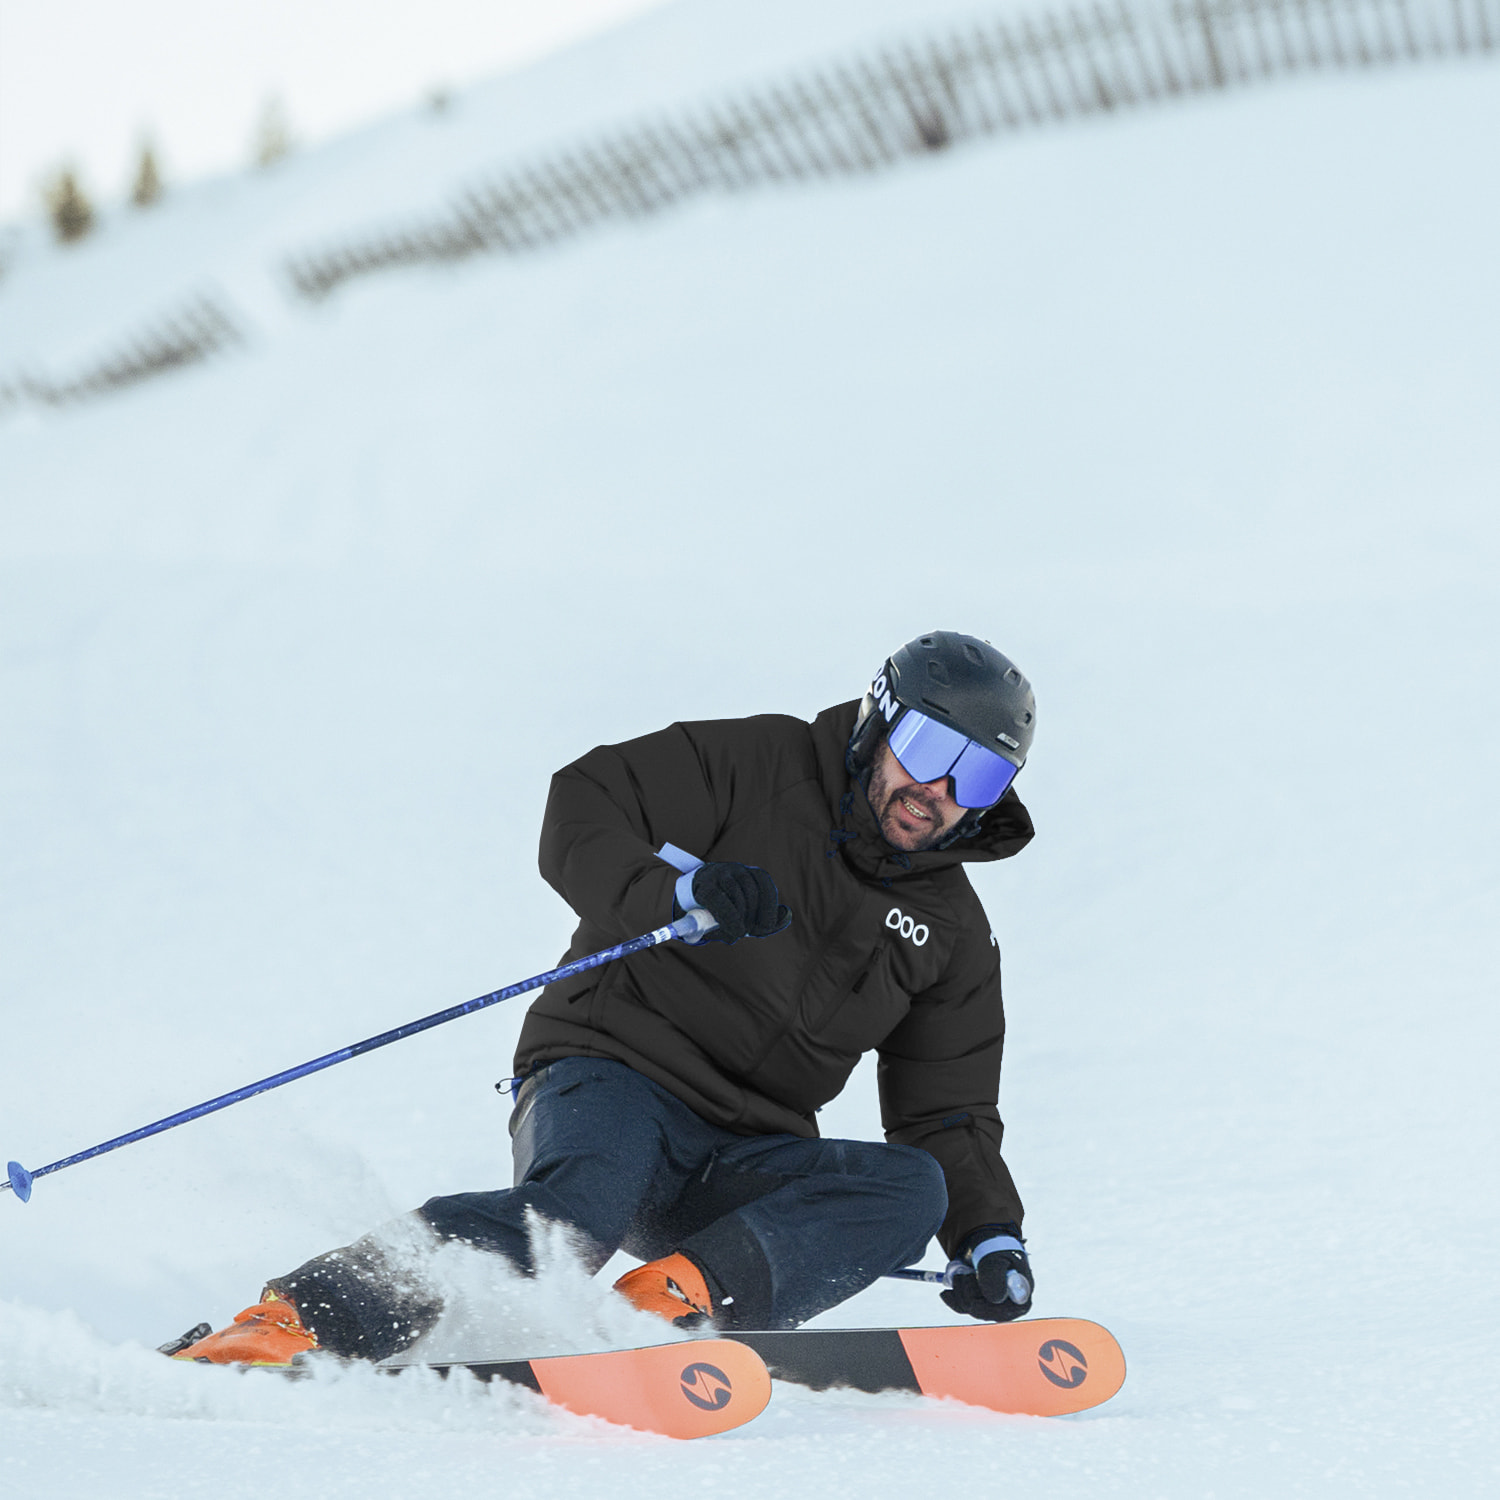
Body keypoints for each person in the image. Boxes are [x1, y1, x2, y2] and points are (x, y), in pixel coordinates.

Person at [175, 630, 1038, 1366]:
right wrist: (675, 892)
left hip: (745, 1152)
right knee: (571, 1221)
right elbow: (583, 802)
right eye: (928, 751)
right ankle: (295, 1322)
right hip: (613, 1070)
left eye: (981, 781)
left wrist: (986, 1236)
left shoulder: (953, 931)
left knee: (911, 1188)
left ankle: (667, 1307)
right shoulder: (756, 765)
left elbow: (948, 1112)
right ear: (878, 722)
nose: (940, 793)